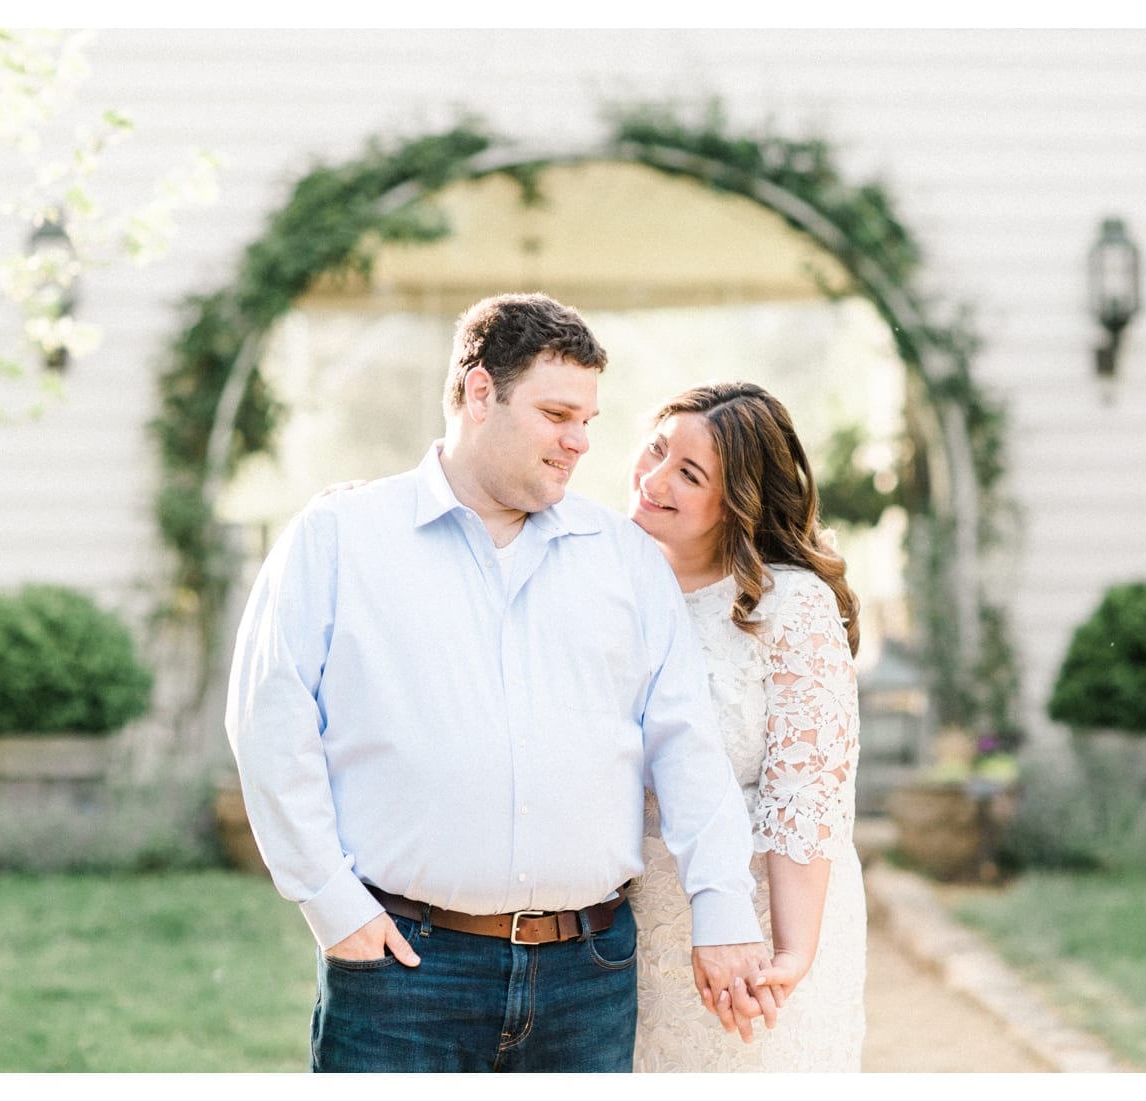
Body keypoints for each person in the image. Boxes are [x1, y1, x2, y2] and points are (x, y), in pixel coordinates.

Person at [224, 293, 774, 1074]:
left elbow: (685, 742)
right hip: (403, 974)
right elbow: (269, 725)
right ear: (480, 393)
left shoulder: (624, 559)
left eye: (587, 418)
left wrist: (720, 906)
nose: (580, 441)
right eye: (557, 413)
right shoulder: (340, 539)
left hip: (588, 978)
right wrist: (332, 904)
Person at [625, 381, 867, 1072]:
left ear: (737, 503)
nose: (654, 478)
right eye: (656, 448)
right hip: (624, 933)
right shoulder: (608, 579)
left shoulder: (791, 605)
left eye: (689, 474)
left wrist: (792, 953)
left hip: (762, 919)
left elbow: (803, 796)